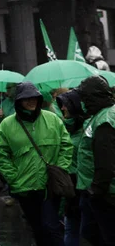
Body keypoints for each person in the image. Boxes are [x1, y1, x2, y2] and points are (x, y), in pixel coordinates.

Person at [0, 82, 72, 246]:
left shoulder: (52, 119)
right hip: (25, 188)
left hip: (49, 186)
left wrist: (60, 169)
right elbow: (1, 157)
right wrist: (14, 179)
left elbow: (66, 145)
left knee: (51, 226)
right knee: (37, 228)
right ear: (18, 101)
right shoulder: (6, 125)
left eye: (34, 98)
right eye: (26, 99)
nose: (31, 101)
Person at [76, 75, 115, 245]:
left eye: (84, 98)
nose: (82, 102)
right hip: (101, 191)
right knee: (91, 232)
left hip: (106, 194)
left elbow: (106, 162)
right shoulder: (101, 115)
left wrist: (96, 190)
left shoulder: (104, 121)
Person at [56, 89, 85, 246]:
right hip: (69, 186)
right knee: (71, 228)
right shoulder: (63, 128)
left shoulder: (86, 130)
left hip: (83, 186)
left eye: (65, 105)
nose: (62, 108)